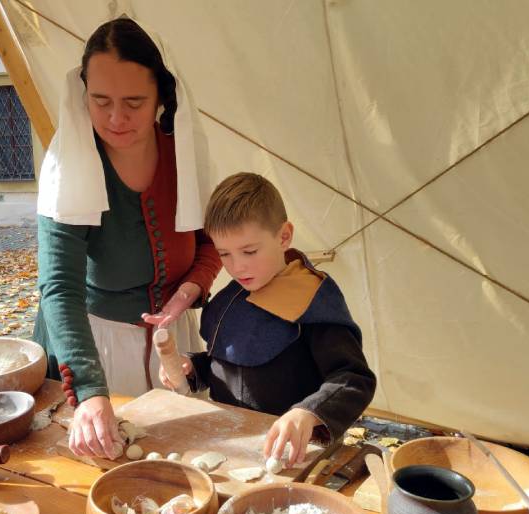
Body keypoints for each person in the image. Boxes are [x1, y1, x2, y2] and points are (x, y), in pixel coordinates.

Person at [34, 18, 221, 459]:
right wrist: (90, 389)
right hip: (95, 343)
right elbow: (59, 287)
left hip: (176, 341)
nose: (116, 118)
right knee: (112, 467)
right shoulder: (71, 165)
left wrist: (187, 292)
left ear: (161, 96)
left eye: (134, 102)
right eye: (101, 101)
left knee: (182, 463)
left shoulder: (185, 152)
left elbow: (212, 242)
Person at [159, 172, 377, 467]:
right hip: (233, 449)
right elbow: (228, 365)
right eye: (225, 254)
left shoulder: (311, 298)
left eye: (249, 251)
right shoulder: (234, 295)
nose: (237, 267)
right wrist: (194, 367)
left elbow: (353, 379)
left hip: (292, 458)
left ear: (284, 236)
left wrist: (309, 412)